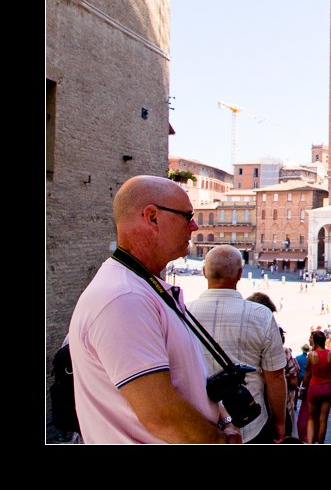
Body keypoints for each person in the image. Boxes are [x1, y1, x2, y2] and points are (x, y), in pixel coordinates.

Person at [66, 175, 240, 443]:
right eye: (187, 216)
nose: (194, 226)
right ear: (152, 218)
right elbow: (162, 415)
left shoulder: (139, 288)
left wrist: (224, 421)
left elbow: (185, 386)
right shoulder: (124, 298)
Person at [188, 246, 287, 443]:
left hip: (199, 423)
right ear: (240, 273)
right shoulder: (262, 316)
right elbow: (275, 376)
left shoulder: (184, 313)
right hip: (251, 423)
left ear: (204, 272)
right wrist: (279, 422)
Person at [300, 329, 331, 443]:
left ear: (315, 342)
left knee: (311, 419)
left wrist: (302, 389)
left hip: (314, 388)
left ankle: (310, 443)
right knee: (323, 420)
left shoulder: (311, 355)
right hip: (327, 388)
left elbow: (307, 374)